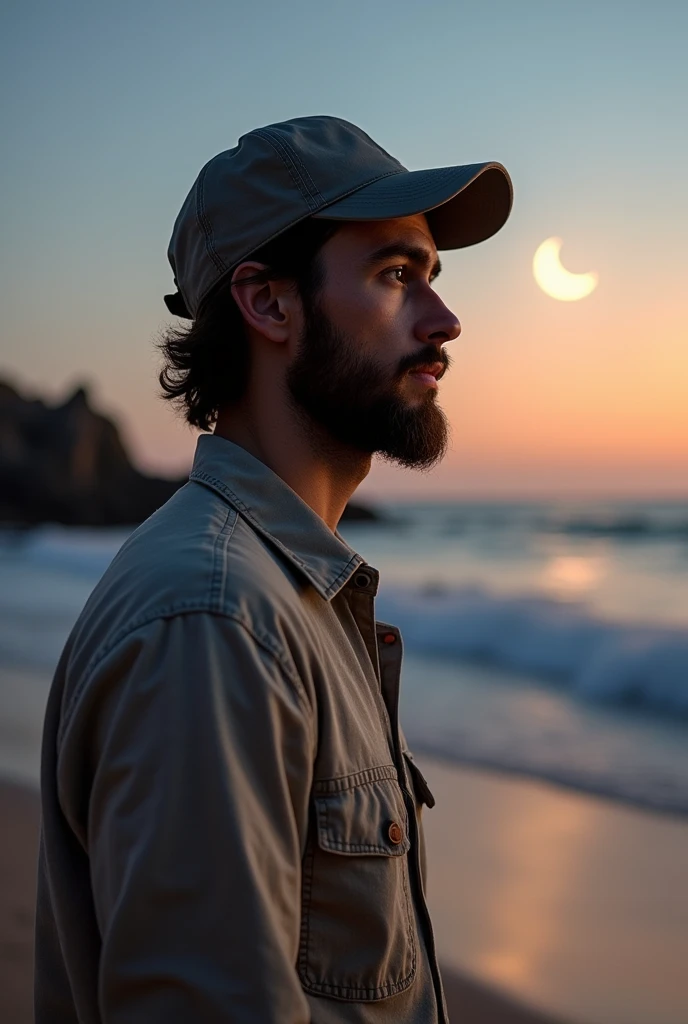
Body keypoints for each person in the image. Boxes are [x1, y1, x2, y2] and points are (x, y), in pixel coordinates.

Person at [35, 115, 512, 1023]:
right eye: (394, 275)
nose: (445, 320)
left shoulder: (283, 594)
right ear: (269, 303)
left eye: (433, 279)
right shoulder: (214, 622)